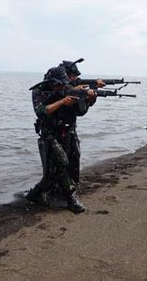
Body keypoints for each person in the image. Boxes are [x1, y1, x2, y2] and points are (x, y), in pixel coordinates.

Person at [26, 65, 96, 213]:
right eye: (59, 83)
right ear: (51, 81)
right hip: (50, 134)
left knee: (71, 163)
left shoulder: (69, 89)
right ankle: (70, 199)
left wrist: (89, 99)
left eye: (64, 83)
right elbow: (41, 111)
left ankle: (37, 194)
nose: (63, 86)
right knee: (59, 165)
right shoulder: (38, 91)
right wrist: (62, 102)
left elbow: (80, 111)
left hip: (68, 133)